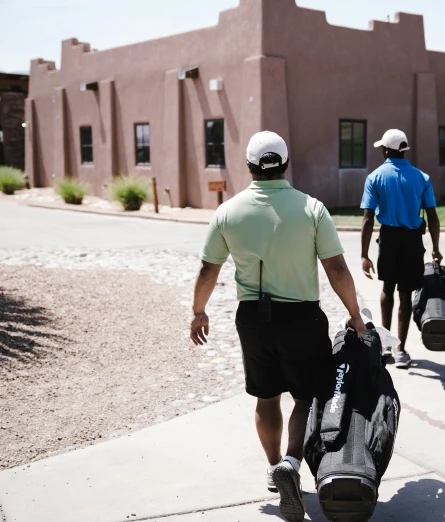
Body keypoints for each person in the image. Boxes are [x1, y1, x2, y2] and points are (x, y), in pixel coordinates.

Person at [190, 131, 366, 522]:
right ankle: (291, 461)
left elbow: (208, 268)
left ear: (249, 166)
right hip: (302, 317)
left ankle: (274, 470)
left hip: (252, 319)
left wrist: (198, 310)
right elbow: (336, 267)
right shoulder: (312, 209)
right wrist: (355, 314)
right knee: (305, 398)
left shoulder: (228, 212)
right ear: (286, 163)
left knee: (266, 397)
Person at [360, 129, 442, 369]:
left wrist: (364, 255)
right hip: (413, 240)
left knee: (387, 288)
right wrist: (436, 247)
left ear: (386, 150)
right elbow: (433, 216)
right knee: (405, 293)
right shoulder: (421, 177)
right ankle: (401, 350)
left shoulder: (375, 177)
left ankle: (384, 347)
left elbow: (367, 219)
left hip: (389, 238)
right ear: (404, 150)